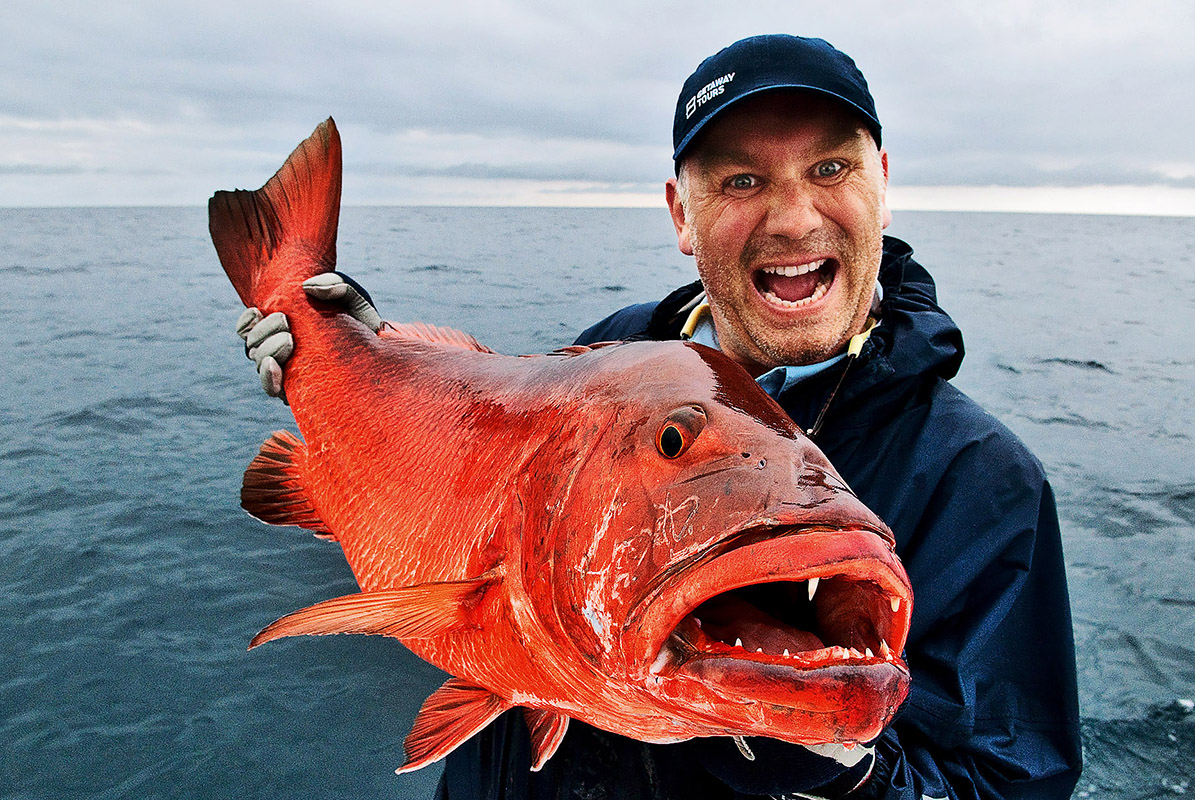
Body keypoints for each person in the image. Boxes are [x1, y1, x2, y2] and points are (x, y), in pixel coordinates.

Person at [237, 35, 1082, 800]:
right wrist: (348, 353)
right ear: (683, 212)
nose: (793, 218)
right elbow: (462, 466)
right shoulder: (606, 354)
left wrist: (845, 779)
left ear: (883, 186)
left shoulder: (985, 483)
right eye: (741, 180)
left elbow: (1009, 782)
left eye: (830, 170)